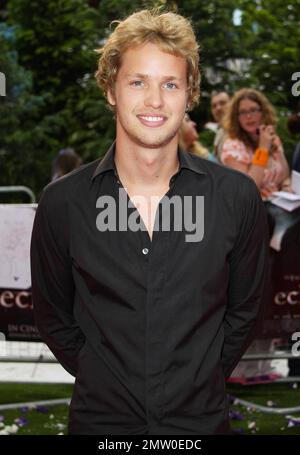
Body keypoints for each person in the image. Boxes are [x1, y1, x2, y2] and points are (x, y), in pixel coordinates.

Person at [30, 9, 269, 435]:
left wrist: (199, 376)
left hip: (201, 426)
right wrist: (102, 375)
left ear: (190, 94)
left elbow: (245, 309)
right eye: (138, 81)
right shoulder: (63, 204)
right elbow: (53, 315)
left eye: (170, 84)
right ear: (111, 90)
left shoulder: (236, 198)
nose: (155, 101)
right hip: (101, 425)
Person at [210, 91, 230, 160]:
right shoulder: (220, 132)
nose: (218, 108)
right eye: (214, 106)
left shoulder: (243, 128)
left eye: (222, 103)